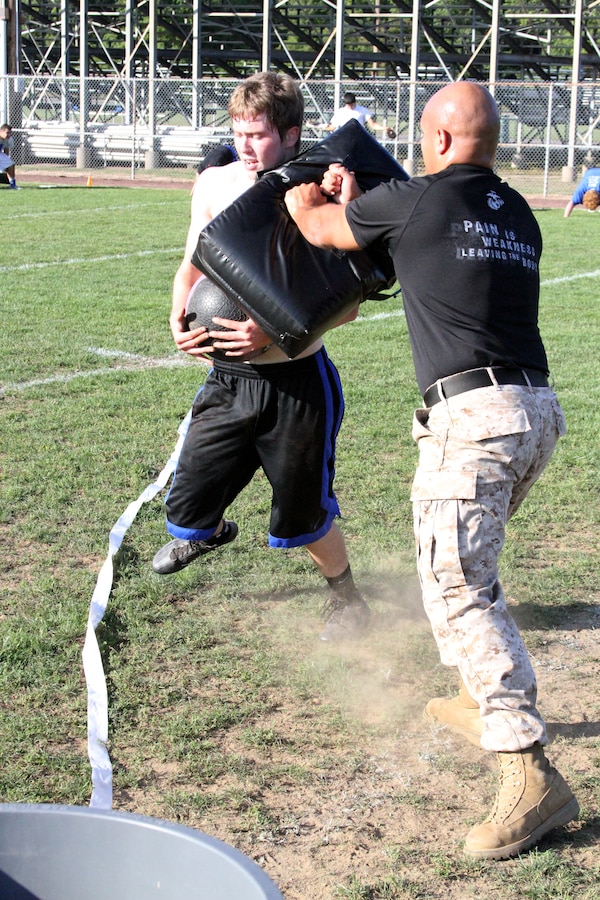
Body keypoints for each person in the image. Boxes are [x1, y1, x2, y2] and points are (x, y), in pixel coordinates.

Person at [284, 81, 579, 857]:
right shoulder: (516, 213)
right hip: (534, 411)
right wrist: (376, 199)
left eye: (424, 137)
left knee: (455, 584)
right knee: (469, 564)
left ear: (441, 141)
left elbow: (318, 227)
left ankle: (527, 771)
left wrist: (305, 188)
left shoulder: (416, 201)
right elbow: (427, 235)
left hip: (473, 420)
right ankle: (473, 694)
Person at [152, 71, 370, 643]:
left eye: (260, 136)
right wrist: (179, 317)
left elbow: (346, 304)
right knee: (189, 499)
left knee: (303, 509)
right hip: (226, 377)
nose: (247, 146)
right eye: (239, 133)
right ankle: (210, 530)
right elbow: (192, 265)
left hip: (296, 381)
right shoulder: (214, 184)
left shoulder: (319, 192)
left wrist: (269, 334)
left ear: (294, 133)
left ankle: (348, 600)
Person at [324, 92, 395, 139]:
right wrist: (321, 126)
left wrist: (384, 128)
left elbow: (373, 125)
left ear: (355, 102)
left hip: (358, 137)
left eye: (352, 104)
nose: (350, 106)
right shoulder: (340, 112)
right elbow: (332, 127)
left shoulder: (362, 110)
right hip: (344, 138)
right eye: (349, 105)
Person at [0, 124, 18, 189]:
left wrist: (5, 164)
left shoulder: (9, 139)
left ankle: (12, 184)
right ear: (1, 131)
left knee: (10, 164)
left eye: (10, 133)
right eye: (7, 133)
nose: (9, 135)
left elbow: (6, 150)